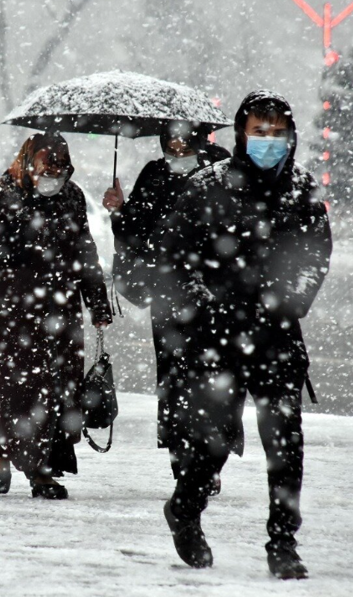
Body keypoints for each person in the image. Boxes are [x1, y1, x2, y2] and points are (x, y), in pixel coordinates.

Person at [156, 90, 332, 579]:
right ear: (241, 134)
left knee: (285, 446)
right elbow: (174, 256)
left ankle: (283, 542)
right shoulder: (207, 185)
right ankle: (185, 508)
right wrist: (203, 306)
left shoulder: (301, 188)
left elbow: (315, 256)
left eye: (277, 132)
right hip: (216, 337)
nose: (268, 140)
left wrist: (289, 302)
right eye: (259, 131)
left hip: (277, 337)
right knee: (213, 441)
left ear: (290, 136)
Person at [0, 132, 112, 500]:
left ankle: (42, 471)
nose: (53, 174)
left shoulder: (72, 196)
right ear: (29, 162)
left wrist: (97, 302)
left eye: (61, 168)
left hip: (58, 309)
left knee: (55, 389)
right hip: (7, 310)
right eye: (47, 166)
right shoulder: (0, 193)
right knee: (8, 389)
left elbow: (84, 250)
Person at [102, 123, 230, 491]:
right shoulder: (155, 174)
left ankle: (209, 459)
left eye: (183, 141)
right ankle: (183, 459)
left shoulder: (220, 170)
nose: (176, 148)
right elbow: (133, 235)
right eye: (170, 142)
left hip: (215, 297)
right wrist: (118, 211)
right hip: (169, 297)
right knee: (175, 380)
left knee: (214, 381)